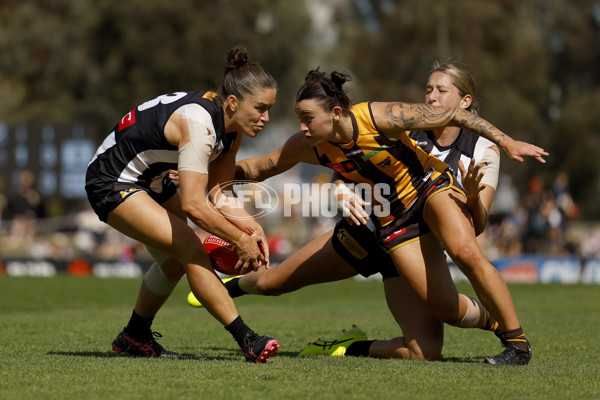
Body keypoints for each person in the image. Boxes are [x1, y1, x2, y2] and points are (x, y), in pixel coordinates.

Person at [191, 65, 547, 365]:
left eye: (306, 119)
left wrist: (507, 142)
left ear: (335, 113)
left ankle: (517, 343)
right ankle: (236, 286)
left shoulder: (377, 116)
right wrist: (197, 170)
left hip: (430, 190)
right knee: (446, 309)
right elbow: (260, 166)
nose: (301, 127)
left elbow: (454, 114)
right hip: (390, 224)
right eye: (299, 119)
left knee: (466, 251)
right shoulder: (310, 144)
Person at [85, 47, 280, 363]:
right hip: (112, 182)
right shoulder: (200, 125)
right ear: (232, 102)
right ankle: (248, 339)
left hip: (151, 181)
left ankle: (134, 336)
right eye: (260, 108)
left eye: (269, 108)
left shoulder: (230, 129)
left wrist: (251, 226)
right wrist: (239, 240)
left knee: (175, 261)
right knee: (191, 248)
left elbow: (218, 193)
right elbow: (193, 205)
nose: (266, 118)